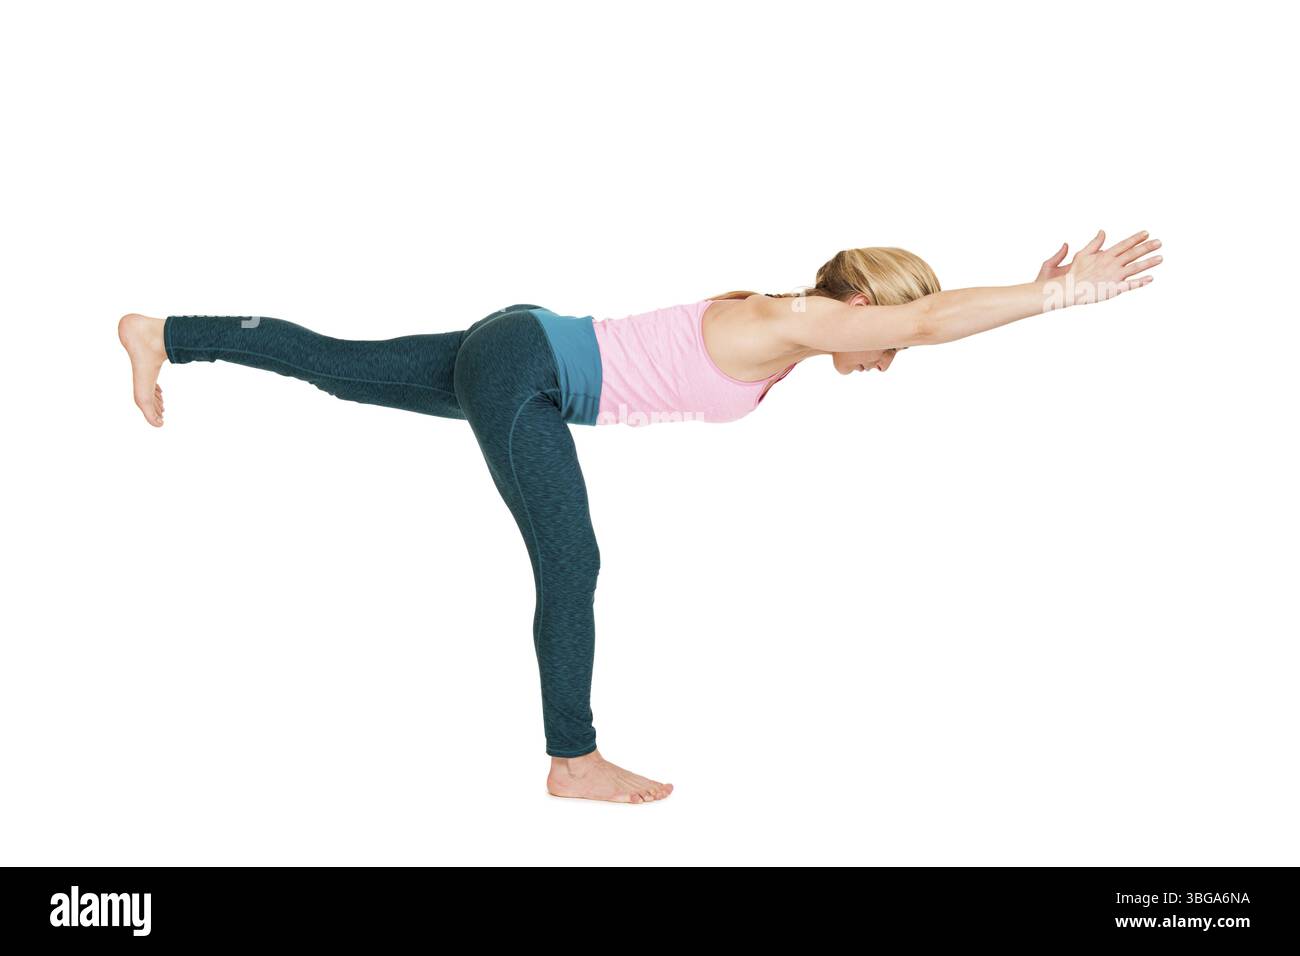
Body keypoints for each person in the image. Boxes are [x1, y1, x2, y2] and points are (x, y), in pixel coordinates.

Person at [117, 229, 1162, 804]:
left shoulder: (792, 339)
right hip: (525, 368)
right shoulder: (790, 316)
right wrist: (1059, 300)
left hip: (518, 349)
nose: (888, 361)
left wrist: (1018, 298)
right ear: (859, 307)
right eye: (885, 340)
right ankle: (571, 756)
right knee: (573, 564)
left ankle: (163, 330)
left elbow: (935, 318)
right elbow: (930, 319)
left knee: (344, 373)